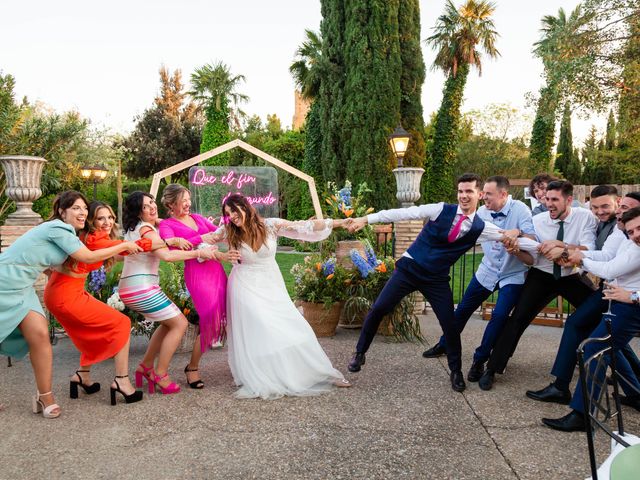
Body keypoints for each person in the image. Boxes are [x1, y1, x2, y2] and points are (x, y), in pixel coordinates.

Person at [345, 173, 536, 392]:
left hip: (435, 280)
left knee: (451, 326)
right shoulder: (440, 209)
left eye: (469, 192)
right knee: (379, 308)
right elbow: (404, 212)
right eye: (460, 191)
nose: (464, 196)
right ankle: (360, 353)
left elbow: (514, 239)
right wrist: (366, 219)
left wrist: (548, 246)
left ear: (479, 194)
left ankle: (455, 371)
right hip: (410, 269)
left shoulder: (481, 227)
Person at [0, 191, 143, 418]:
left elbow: (50, 262)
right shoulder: (58, 228)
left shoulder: (66, 233)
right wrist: (122, 246)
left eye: (84, 208)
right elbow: (86, 257)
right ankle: (112, 380)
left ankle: (45, 395)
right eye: (76, 208)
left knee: (40, 336)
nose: (82, 212)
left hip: (24, 288)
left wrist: (60, 272)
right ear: (61, 211)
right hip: (4, 282)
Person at [220, 193, 351, 399]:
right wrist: (219, 254)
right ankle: (264, 373)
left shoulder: (271, 225)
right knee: (263, 324)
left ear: (245, 207)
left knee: (294, 325)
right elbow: (204, 241)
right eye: (228, 214)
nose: (232, 217)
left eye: (234, 211)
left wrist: (340, 222)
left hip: (271, 284)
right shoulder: (229, 231)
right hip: (244, 286)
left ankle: (321, 371)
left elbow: (305, 226)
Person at [478, 180, 598, 390]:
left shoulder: (585, 217)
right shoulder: (539, 220)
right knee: (516, 319)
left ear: (569, 200)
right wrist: (516, 247)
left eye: (554, 200)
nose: (549, 203)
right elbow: (530, 256)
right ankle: (493, 368)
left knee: (601, 314)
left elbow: (590, 249)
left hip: (571, 276)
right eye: (546, 199)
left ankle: (617, 368)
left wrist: (561, 246)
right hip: (541, 276)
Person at [526, 189, 640, 404]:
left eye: (627, 208)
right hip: (611, 291)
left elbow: (609, 268)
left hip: (620, 294)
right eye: (595, 207)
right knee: (587, 330)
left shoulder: (630, 234)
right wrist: (574, 254)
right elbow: (605, 256)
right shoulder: (619, 229)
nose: (600, 212)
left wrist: (576, 258)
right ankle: (563, 387)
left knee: (601, 342)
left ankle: (579, 400)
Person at [421, 176, 536, 383]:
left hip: (513, 273)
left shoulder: (521, 210)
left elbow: (532, 240)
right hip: (487, 271)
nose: (483, 197)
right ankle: (445, 344)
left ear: (503, 194)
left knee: (500, 316)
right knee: (462, 310)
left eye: (488, 194)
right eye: (482, 193)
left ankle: (479, 359)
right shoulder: (480, 213)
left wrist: (517, 232)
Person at [44, 201, 157, 406]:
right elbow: (137, 247)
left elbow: (119, 251)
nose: (107, 222)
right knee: (121, 323)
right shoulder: (94, 240)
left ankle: (82, 376)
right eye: (100, 218)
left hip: (62, 291)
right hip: (66, 295)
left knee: (90, 331)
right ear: (91, 221)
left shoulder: (88, 238)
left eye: (110, 217)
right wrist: (170, 239)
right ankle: (122, 381)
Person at [119, 192, 218, 395]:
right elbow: (167, 255)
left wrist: (175, 237)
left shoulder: (137, 227)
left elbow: (166, 225)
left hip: (132, 287)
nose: (152, 207)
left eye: (152, 202)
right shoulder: (146, 230)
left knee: (168, 322)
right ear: (138, 212)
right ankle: (160, 374)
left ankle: (146, 367)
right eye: (146, 206)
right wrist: (198, 252)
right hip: (141, 289)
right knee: (180, 323)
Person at [159, 184, 238, 389]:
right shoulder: (167, 225)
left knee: (225, 315)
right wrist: (200, 239)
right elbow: (171, 247)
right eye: (182, 200)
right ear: (170, 204)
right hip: (196, 273)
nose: (187, 203)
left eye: (188, 199)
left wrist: (238, 228)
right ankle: (192, 367)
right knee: (210, 315)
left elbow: (220, 233)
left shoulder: (198, 218)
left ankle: (239, 363)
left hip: (216, 270)